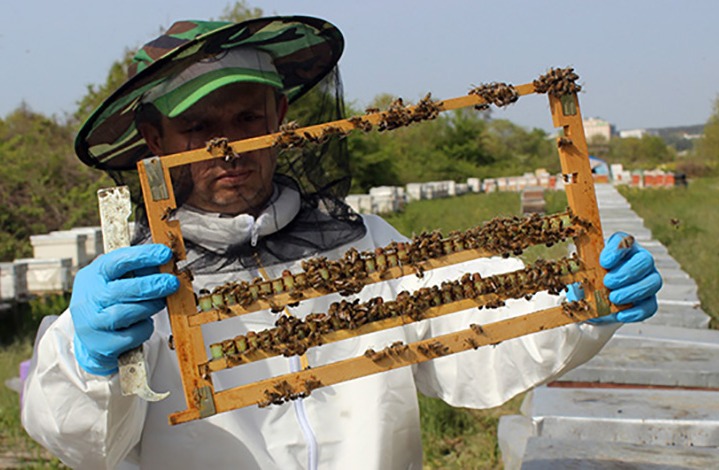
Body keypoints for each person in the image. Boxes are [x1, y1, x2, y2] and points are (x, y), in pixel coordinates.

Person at [21, 16, 662, 470]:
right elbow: (84, 444)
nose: (227, 148)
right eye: (198, 128)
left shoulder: (364, 246)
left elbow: (468, 349)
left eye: (247, 119)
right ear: (156, 142)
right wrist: (87, 361)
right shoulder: (133, 289)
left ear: (279, 123)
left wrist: (578, 305)